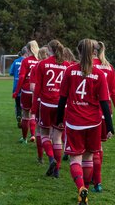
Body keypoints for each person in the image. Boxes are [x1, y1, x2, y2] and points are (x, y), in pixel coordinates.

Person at [56, 39, 113, 205]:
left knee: (75, 159)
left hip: (74, 122)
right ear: (94, 52)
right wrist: (109, 127)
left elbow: (62, 98)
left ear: (79, 52)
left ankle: (81, 188)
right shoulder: (100, 74)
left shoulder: (69, 70)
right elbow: (104, 103)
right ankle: (86, 189)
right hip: (94, 123)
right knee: (89, 158)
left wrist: (59, 119)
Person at [31, 40, 69, 177]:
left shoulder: (42, 64)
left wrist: (34, 108)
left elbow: (38, 89)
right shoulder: (67, 65)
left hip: (47, 104)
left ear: (49, 50)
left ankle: (51, 158)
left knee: (44, 133)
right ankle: (57, 170)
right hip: (62, 105)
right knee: (57, 137)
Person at [91, 41, 115, 192]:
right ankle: (97, 181)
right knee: (99, 146)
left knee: (89, 151)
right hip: (106, 113)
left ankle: (94, 179)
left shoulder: (87, 66)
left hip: (90, 111)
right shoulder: (109, 67)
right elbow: (113, 92)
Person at [12, 40, 39, 144]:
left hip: (26, 91)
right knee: (34, 114)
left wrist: (16, 92)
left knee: (25, 114)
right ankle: (33, 135)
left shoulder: (26, 61)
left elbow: (21, 77)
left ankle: (24, 138)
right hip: (37, 92)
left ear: (28, 49)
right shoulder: (40, 61)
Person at [29, 45, 50, 163]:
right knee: (54, 133)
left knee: (40, 130)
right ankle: (53, 156)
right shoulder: (60, 65)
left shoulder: (37, 66)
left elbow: (33, 87)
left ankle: (41, 157)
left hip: (41, 101)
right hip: (55, 102)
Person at [9, 47, 27, 128]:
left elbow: (11, 72)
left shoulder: (16, 61)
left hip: (16, 86)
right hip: (26, 87)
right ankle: (25, 120)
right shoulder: (29, 62)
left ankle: (19, 116)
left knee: (18, 104)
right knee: (26, 106)